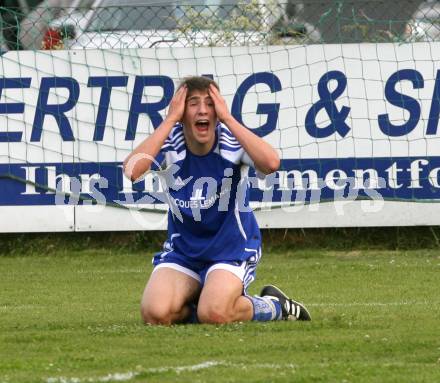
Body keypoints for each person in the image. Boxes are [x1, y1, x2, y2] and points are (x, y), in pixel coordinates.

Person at [123, 76, 311, 325]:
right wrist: (169, 120)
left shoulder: (230, 142)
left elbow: (271, 163)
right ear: (181, 112)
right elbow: (132, 170)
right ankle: (205, 302)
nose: (203, 110)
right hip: (184, 253)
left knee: (215, 314)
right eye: (193, 103)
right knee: (155, 314)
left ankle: (273, 306)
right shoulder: (171, 143)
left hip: (231, 250)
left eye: (210, 104)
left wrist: (229, 119)